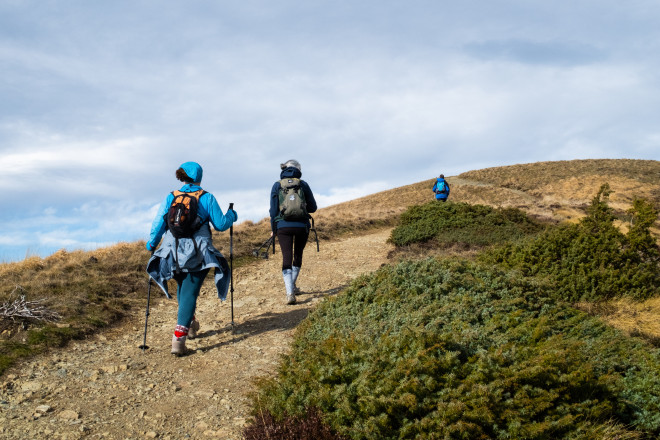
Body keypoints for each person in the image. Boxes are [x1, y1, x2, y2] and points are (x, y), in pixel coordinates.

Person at [146, 161, 238, 356]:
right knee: (190, 292)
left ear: (181, 176)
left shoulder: (171, 196)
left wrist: (152, 243)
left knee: (182, 288)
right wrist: (232, 215)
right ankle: (178, 341)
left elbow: (159, 223)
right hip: (198, 251)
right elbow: (221, 224)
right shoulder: (206, 197)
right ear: (199, 177)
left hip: (171, 250)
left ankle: (191, 322)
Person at [269, 159, 317, 305]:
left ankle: (289, 292)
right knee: (298, 255)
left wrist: (274, 229)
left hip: (283, 226)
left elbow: (273, 211)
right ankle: (293, 286)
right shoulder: (303, 184)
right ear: (298, 169)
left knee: (286, 258)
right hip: (302, 225)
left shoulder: (277, 185)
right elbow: (313, 208)